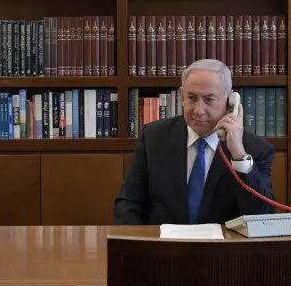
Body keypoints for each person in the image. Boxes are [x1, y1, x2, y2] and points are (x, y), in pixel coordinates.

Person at [114, 59, 277, 225]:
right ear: (182, 96)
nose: (199, 111)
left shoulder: (255, 150)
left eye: (209, 99)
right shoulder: (153, 137)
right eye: (192, 98)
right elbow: (128, 203)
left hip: (225, 249)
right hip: (163, 247)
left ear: (230, 102)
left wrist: (239, 156)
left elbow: (262, 218)